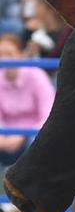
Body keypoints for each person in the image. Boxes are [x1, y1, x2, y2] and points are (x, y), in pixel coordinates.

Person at [0, 33, 55, 169]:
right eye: (1, 54)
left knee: (37, 141)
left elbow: (48, 115)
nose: (5, 59)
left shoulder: (37, 76)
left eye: (9, 54)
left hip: (34, 135)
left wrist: (22, 135)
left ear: (19, 55)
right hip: (6, 137)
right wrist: (2, 139)